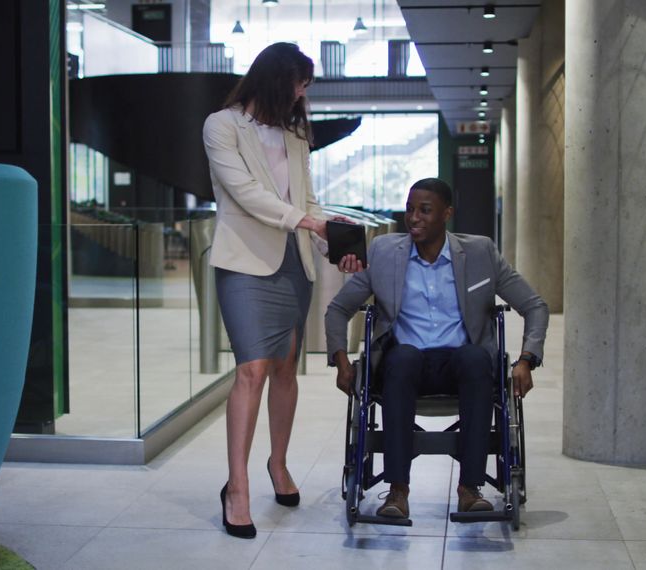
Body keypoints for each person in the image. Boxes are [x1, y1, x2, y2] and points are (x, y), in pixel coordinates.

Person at [203, 42, 363, 539]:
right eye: (298, 83)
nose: (301, 94)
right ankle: (238, 488)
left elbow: (306, 199)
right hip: (243, 263)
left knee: (284, 370)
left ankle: (278, 464)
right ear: (275, 79)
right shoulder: (222, 126)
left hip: (292, 265)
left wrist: (328, 238)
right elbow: (245, 194)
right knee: (251, 369)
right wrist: (307, 220)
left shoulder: (296, 135)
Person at [324, 177, 548, 519]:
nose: (414, 217)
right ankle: (397, 491)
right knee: (402, 358)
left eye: (425, 210)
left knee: (476, 359)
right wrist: (342, 362)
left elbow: (534, 305)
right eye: (410, 209)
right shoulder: (385, 253)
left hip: (460, 364)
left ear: (447, 214)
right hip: (404, 366)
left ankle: (469, 489)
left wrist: (526, 361)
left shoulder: (480, 252)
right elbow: (338, 309)